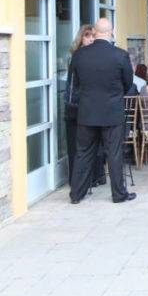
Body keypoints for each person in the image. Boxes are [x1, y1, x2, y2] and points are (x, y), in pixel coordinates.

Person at [68, 18, 136, 204]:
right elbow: (128, 83)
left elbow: (75, 83)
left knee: (83, 152)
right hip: (112, 111)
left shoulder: (79, 55)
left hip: (87, 111)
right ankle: (118, 194)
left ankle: (76, 194)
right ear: (112, 32)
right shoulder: (120, 55)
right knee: (114, 153)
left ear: (95, 32)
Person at [64, 24, 94, 186]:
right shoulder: (76, 58)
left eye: (92, 36)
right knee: (76, 146)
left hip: (89, 107)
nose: (90, 39)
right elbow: (72, 86)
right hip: (76, 107)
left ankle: (92, 177)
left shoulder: (91, 57)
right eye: (87, 36)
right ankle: (76, 180)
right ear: (81, 38)